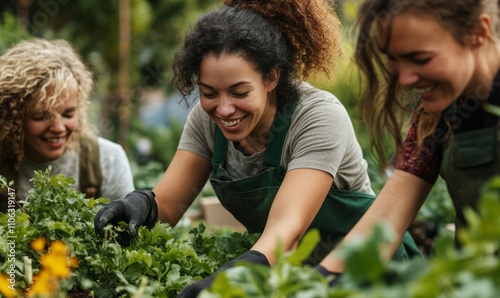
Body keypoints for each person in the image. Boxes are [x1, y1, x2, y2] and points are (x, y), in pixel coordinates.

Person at [94, 0, 421, 296]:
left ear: (272, 78)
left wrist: (228, 283)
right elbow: (169, 203)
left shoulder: (317, 117)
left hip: (375, 277)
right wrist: (140, 206)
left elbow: (286, 230)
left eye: (239, 92)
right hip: (299, 281)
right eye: (209, 92)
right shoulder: (207, 121)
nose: (223, 109)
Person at [317, 0, 500, 275]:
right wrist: (321, 282)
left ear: (478, 32)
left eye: (421, 58)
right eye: (393, 57)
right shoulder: (436, 114)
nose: (404, 79)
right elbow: (386, 220)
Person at [0, 38, 134, 212]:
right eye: (41, 116)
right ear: (13, 116)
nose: (59, 128)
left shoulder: (107, 161)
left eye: (68, 114)